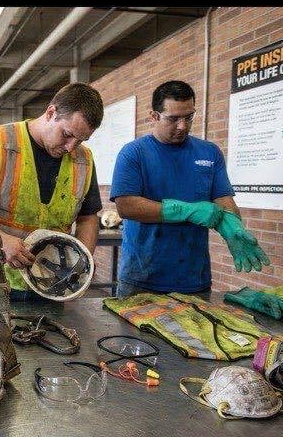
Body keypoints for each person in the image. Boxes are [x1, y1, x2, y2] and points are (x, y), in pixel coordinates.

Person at [111, 80, 269, 299]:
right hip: (142, 278)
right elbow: (126, 206)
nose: (182, 126)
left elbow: (223, 200)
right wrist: (187, 211)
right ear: (154, 116)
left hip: (194, 279)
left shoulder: (209, 152)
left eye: (189, 117)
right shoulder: (134, 153)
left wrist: (234, 228)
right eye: (173, 119)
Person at [0, 83, 104, 301]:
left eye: (81, 140)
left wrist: (81, 263)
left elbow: (88, 217)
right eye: (67, 134)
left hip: (53, 285)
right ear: (50, 113)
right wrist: (0, 239)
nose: (70, 148)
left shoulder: (84, 159)